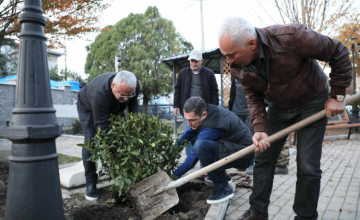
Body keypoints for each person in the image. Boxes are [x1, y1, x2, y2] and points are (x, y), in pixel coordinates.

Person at [218, 17, 351, 220]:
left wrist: (337, 96)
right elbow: (253, 96)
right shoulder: (238, 66)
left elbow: (339, 51)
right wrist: (260, 128)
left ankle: (305, 216)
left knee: (307, 165)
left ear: (251, 44)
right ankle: (257, 212)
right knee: (262, 158)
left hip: (312, 103)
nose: (229, 61)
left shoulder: (291, 37)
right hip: (279, 108)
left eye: (231, 54)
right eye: (225, 56)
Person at [173, 97, 254, 204]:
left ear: (204, 114)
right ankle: (221, 175)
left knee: (201, 146)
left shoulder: (213, 126)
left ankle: (223, 187)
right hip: (232, 147)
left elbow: (191, 160)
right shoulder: (205, 113)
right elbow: (189, 133)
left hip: (243, 155)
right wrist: (172, 150)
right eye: (187, 119)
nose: (188, 123)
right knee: (196, 139)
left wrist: (173, 177)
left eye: (192, 120)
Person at [77, 71, 140, 201]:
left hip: (114, 106)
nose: (126, 99)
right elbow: (102, 128)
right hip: (87, 106)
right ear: (113, 85)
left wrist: (136, 125)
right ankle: (91, 183)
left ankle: (125, 180)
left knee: (124, 136)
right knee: (91, 140)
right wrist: (115, 154)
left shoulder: (133, 86)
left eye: (129, 95)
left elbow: (133, 105)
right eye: (122, 95)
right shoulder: (99, 94)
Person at [229, 77, 289, 175]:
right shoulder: (235, 74)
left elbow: (261, 93)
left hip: (252, 112)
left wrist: (265, 107)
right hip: (237, 110)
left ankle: (251, 163)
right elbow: (233, 92)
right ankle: (243, 162)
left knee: (251, 138)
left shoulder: (253, 73)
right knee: (239, 138)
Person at [173, 49, 219, 156]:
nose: (193, 63)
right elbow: (178, 90)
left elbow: (214, 91)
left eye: (196, 61)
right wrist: (176, 105)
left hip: (203, 110)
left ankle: (203, 160)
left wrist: (213, 107)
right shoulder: (183, 73)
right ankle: (190, 158)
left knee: (204, 134)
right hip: (188, 110)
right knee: (188, 134)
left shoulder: (209, 73)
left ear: (201, 60)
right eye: (191, 61)